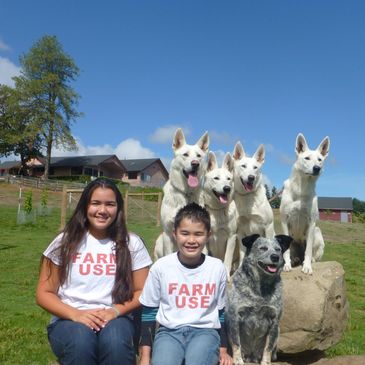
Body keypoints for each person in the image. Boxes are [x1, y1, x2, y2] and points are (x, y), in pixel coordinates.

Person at [36, 178, 152, 365]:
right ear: (84, 206)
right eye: (95, 203)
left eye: (110, 204)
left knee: (116, 344)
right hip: (69, 319)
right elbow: (44, 293)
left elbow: (143, 291)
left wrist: (114, 311)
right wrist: (76, 314)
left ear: (118, 208)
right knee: (81, 343)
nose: (102, 210)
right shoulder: (64, 242)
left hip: (117, 317)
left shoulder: (132, 243)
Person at [139, 202, 233, 365]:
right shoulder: (161, 267)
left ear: (208, 235)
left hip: (205, 332)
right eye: (185, 233)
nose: (191, 240)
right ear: (174, 233)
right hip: (169, 333)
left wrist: (224, 350)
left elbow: (221, 312)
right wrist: (145, 356)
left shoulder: (217, 267)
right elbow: (149, 312)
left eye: (198, 234)